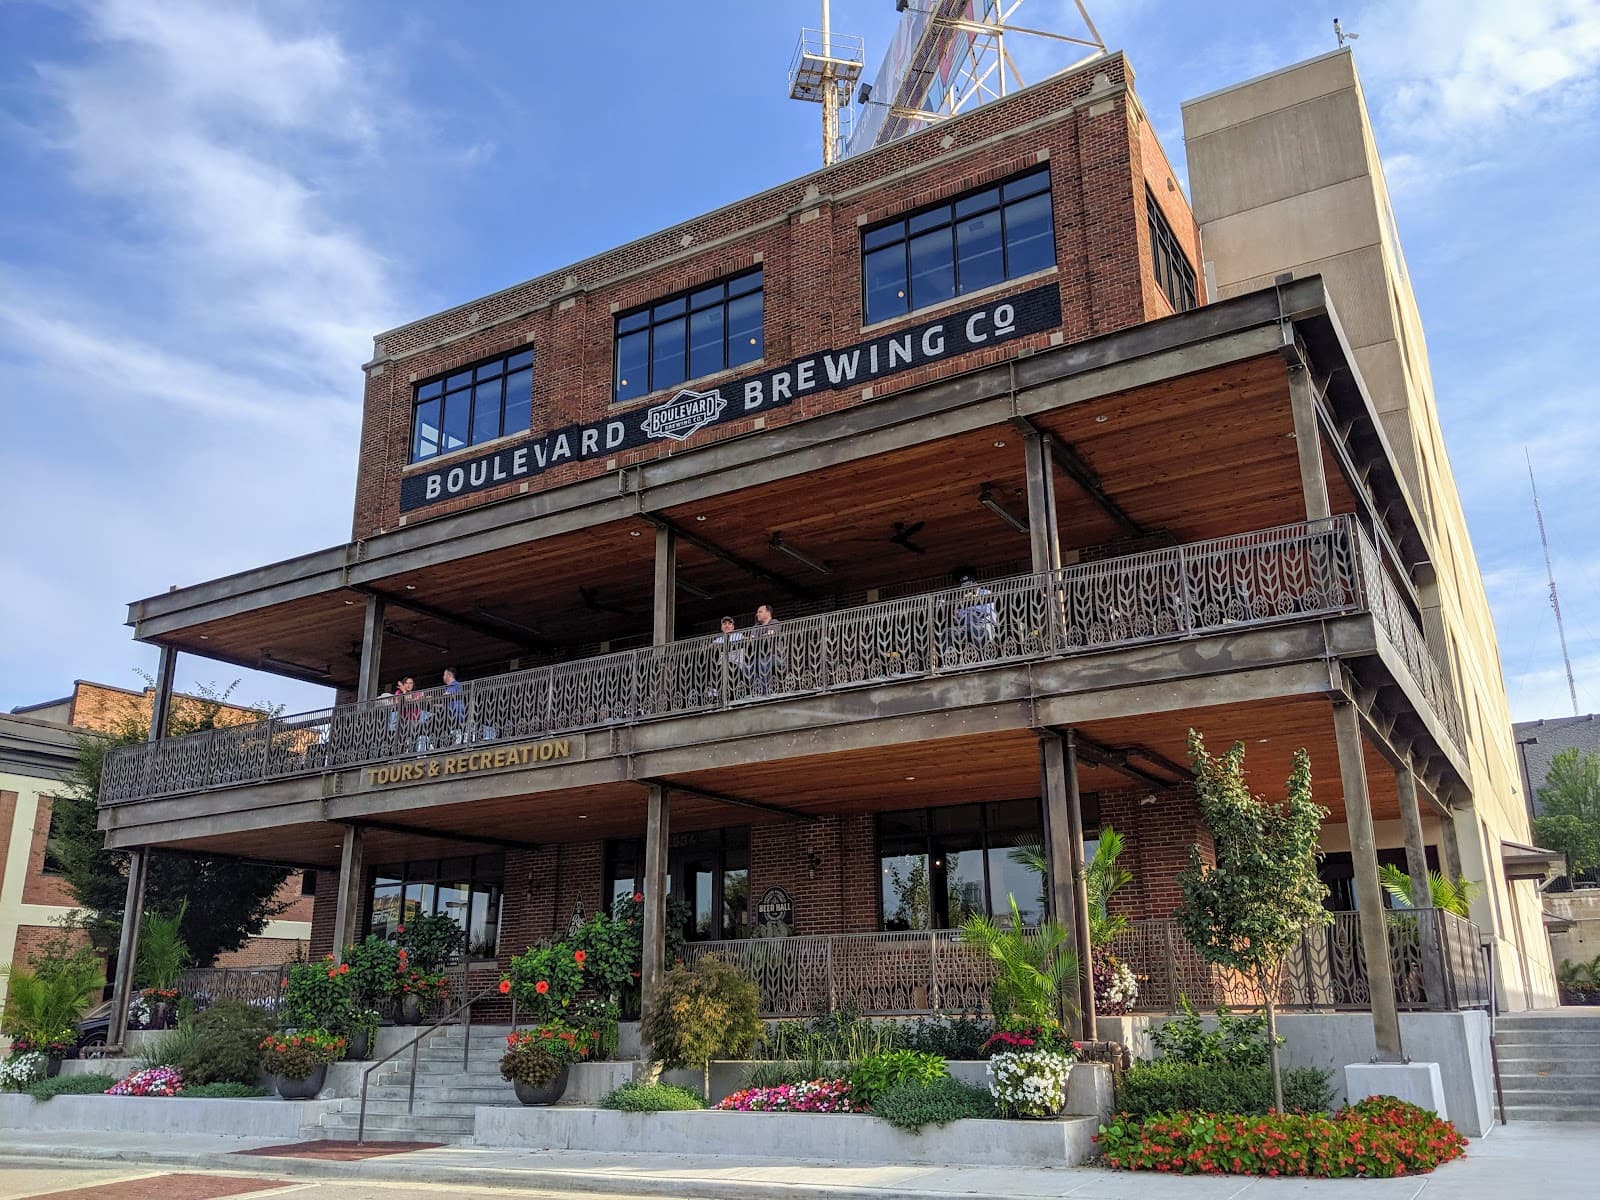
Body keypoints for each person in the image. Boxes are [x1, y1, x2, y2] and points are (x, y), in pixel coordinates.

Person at [949, 571, 999, 661]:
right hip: (966, 627)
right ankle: (951, 661)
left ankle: (982, 659)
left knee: (977, 630)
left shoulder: (986, 593)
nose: (966, 588)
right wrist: (955, 614)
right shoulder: (962, 599)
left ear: (975, 584)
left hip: (984, 624)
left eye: (968, 585)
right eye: (963, 586)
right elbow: (958, 619)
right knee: (947, 633)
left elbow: (986, 612)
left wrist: (969, 611)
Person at [745, 604, 784, 696]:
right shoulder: (756, 627)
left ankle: (766, 692)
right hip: (758, 657)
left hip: (776, 657)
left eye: (760, 612)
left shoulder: (774, 622)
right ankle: (756, 690)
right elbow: (752, 639)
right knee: (747, 668)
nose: (757, 614)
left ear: (768, 613)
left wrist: (760, 637)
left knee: (763, 662)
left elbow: (770, 635)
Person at [710, 616, 744, 701]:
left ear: (733, 626)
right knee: (713, 669)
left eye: (729, 623)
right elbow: (710, 647)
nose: (727, 625)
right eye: (724, 624)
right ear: (721, 627)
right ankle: (714, 692)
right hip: (722, 667)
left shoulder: (738, 635)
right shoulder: (719, 639)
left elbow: (746, 641)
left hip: (736, 665)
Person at [441, 667, 467, 744]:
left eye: (444, 674)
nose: (443, 677)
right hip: (451, 715)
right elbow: (445, 703)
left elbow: (450, 695)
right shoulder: (449, 687)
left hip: (456, 714)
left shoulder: (456, 685)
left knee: (457, 732)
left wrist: (443, 695)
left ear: (449, 675)